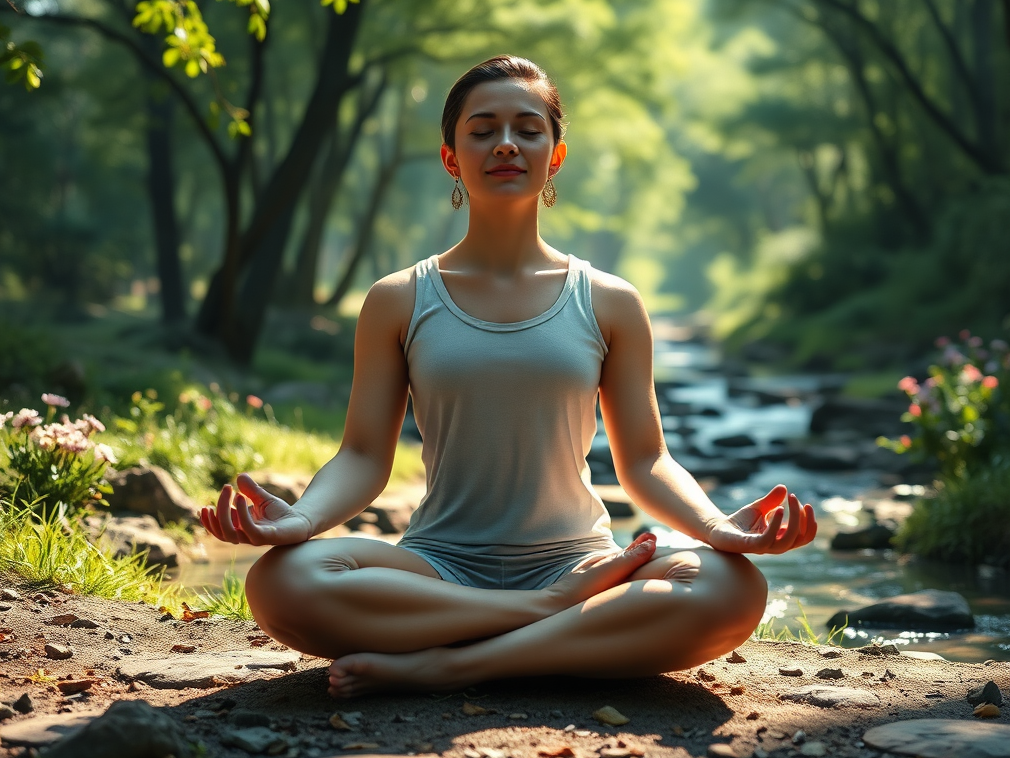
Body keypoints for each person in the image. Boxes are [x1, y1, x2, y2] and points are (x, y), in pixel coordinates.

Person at [201, 55, 817, 699]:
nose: (505, 144)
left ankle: (453, 664)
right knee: (280, 582)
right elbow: (361, 455)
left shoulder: (609, 301)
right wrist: (301, 521)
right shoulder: (398, 298)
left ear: (555, 156)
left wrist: (714, 526)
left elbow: (647, 459)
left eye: (528, 129)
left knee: (732, 586)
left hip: (581, 560)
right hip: (438, 568)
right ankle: (552, 619)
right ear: (450, 156)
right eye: (482, 129)